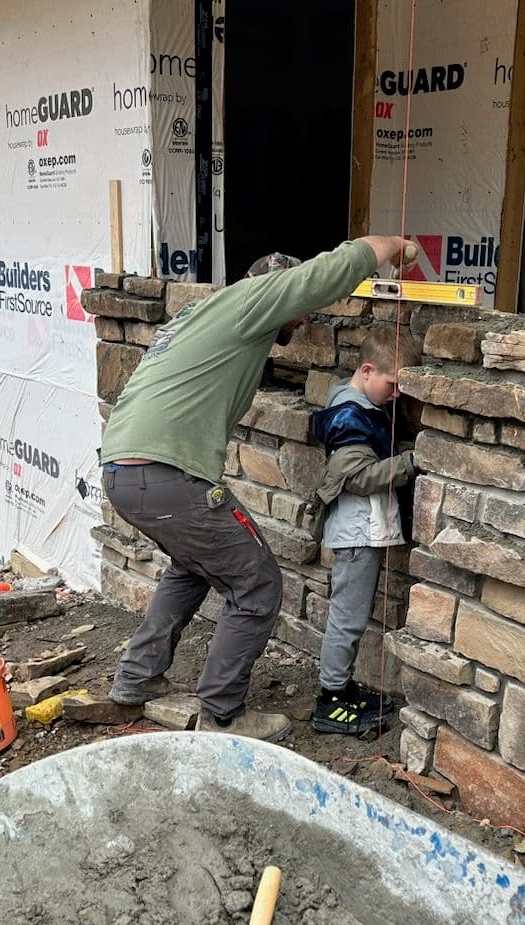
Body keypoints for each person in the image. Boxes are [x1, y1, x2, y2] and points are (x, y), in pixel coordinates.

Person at [100, 236, 415, 743]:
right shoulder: (252, 302)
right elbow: (325, 273)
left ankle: (135, 681)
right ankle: (222, 713)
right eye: (298, 311)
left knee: (192, 567)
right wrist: (387, 246)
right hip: (164, 473)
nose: (302, 322)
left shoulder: (204, 317)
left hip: (124, 472)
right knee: (260, 582)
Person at [308, 325, 422, 735]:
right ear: (368, 371)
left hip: (365, 529)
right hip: (358, 532)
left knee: (351, 615)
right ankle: (330, 700)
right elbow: (356, 476)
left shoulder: (361, 405)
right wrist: (411, 464)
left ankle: (341, 686)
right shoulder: (350, 415)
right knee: (348, 617)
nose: (396, 395)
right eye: (392, 385)